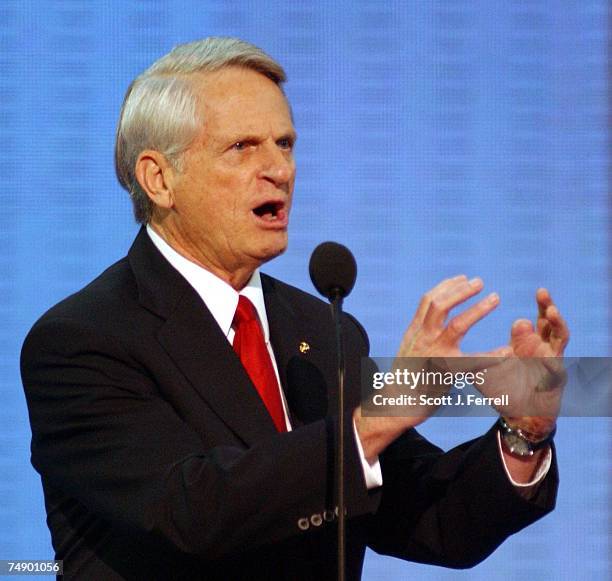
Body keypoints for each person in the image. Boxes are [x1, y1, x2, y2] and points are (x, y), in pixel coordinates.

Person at [21, 37, 569, 580]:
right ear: (159, 179)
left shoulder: (323, 332)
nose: (280, 170)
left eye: (285, 144)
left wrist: (524, 433)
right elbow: (194, 509)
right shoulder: (82, 341)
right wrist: (382, 415)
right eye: (243, 147)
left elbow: (432, 520)